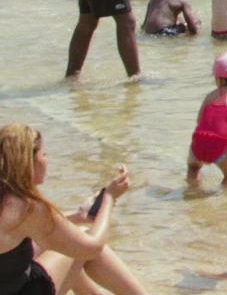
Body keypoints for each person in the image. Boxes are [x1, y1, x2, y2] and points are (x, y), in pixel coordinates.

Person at [0, 123, 147, 295]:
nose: (47, 160)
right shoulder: (25, 207)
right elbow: (93, 248)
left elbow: (31, 233)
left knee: (64, 245)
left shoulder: (8, 203)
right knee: (82, 240)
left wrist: (77, 216)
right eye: (44, 154)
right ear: (29, 163)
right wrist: (109, 198)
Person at [187, 53, 227, 185]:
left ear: (217, 78)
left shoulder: (210, 96)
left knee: (193, 168)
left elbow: (199, 120)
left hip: (199, 142)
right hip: (222, 146)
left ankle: (192, 192)